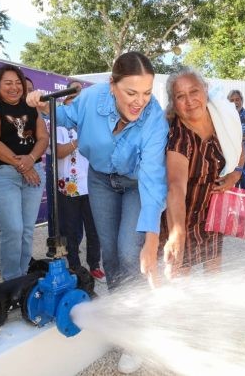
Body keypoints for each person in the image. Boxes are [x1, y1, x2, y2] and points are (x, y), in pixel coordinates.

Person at [27, 52, 167, 375]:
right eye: (131, 92)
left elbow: (153, 180)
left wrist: (152, 237)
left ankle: (141, 330)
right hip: (100, 180)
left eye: (146, 93)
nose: (140, 102)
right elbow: (64, 117)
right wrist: (39, 104)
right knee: (111, 258)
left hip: (135, 183)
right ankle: (124, 323)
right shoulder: (91, 99)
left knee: (130, 252)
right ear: (112, 85)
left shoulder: (155, 119)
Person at [162, 68, 244, 276]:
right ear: (173, 102)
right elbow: (176, 187)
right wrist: (177, 231)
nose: (189, 101)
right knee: (180, 274)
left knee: (214, 269)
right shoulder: (178, 139)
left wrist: (235, 175)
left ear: (205, 90)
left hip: (212, 211)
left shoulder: (222, 118)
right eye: (180, 96)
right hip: (182, 213)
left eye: (194, 91)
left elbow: (239, 148)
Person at [0, 65, 49, 281]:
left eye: (18, 83)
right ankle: (11, 283)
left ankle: (22, 278)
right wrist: (23, 165)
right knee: (13, 229)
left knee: (27, 230)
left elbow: (43, 138)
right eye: (8, 83)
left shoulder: (31, 107)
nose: (14, 87)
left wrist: (30, 160)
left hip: (33, 171)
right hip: (1, 175)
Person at [55, 79, 104, 281]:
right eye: (72, 96)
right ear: (66, 99)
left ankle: (94, 264)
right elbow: (59, 152)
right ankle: (74, 265)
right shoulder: (58, 123)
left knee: (94, 230)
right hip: (69, 187)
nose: (76, 99)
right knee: (72, 230)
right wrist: (78, 139)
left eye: (79, 96)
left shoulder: (89, 121)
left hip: (92, 185)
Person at [227, 89, 245, 188]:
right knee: (231, 189)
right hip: (230, 160)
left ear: (242, 100)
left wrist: (232, 133)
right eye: (232, 100)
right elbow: (221, 133)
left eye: (237, 99)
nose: (235, 102)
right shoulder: (225, 117)